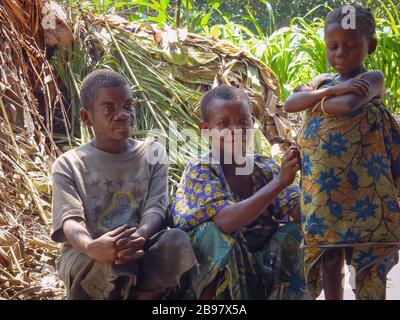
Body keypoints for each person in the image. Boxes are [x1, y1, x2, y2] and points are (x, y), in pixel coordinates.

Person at [284, 4, 400, 300]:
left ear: (370, 46)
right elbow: (289, 103)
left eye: (350, 46)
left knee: (362, 254)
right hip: (325, 188)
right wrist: (327, 92)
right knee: (329, 252)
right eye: (332, 46)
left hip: (363, 187)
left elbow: (347, 106)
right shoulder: (326, 83)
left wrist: (316, 97)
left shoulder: (373, 78)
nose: (339, 53)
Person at [51, 69, 197, 300]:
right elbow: (71, 222)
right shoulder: (69, 164)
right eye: (109, 108)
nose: (123, 114)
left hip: (140, 245)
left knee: (176, 240)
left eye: (128, 105)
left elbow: (155, 207)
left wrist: (140, 235)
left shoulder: (153, 153)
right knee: (115, 267)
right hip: (88, 254)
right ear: (86, 116)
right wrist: (92, 247)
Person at [170, 85, 308, 300]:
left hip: (258, 264)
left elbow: (300, 212)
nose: (236, 130)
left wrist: (311, 168)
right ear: (206, 130)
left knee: (297, 232)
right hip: (214, 274)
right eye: (224, 124)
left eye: (243, 121)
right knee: (215, 235)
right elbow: (226, 222)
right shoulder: (201, 169)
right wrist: (280, 182)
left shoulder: (265, 167)